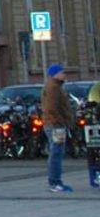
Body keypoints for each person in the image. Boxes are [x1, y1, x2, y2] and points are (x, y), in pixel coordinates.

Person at [41, 63, 75, 193]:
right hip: (56, 125)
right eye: (62, 73)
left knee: (57, 151)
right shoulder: (53, 88)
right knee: (56, 152)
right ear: (55, 74)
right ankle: (55, 182)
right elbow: (51, 108)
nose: (64, 75)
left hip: (55, 124)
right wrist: (60, 122)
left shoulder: (55, 86)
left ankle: (55, 181)